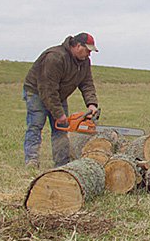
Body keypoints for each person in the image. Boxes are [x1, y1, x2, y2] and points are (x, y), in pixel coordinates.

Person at [23, 33, 100, 168]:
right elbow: (47, 89)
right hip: (37, 92)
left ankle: (62, 163)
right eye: (87, 50)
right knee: (35, 125)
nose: (89, 54)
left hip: (58, 95)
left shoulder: (84, 62)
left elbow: (86, 83)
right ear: (77, 46)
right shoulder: (55, 57)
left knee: (61, 129)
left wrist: (91, 104)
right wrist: (59, 114)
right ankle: (31, 160)